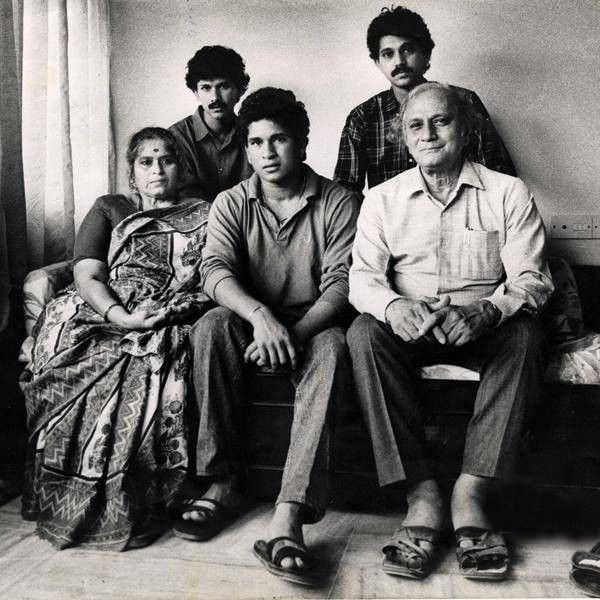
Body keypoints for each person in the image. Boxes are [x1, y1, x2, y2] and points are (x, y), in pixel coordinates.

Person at [346, 83, 554, 580]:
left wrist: (487, 310)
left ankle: (472, 493)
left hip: (480, 326)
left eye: (441, 121)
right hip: (410, 325)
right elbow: (362, 279)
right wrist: (394, 307)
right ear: (404, 137)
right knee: (361, 334)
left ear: (466, 129)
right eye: (416, 125)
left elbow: (532, 279)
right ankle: (421, 496)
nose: (429, 134)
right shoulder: (383, 199)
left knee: (526, 336)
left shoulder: (508, 191)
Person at [174, 87, 359, 586]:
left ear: (301, 143)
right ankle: (221, 483)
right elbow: (214, 271)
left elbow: (343, 283)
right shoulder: (231, 201)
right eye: (255, 143)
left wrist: (291, 333)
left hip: (314, 321)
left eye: (279, 140)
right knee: (210, 326)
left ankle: (291, 512)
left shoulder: (338, 200)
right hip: (252, 320)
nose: (267, 153)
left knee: (336, 349)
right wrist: (261, 318)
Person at [20, 127, 213, 550]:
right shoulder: (110, 208)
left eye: (167, 160)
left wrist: (171, 308)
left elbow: (216, 271)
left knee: (153, 360)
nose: (157, 169)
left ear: (181, 168)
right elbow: (86, 274)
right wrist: (122, 317)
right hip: (104, 306)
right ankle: (68, 492)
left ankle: (131, 498)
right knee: (78, 349)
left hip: (168, 307)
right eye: (146, 161)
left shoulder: (206, 211)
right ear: (131, 173)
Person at [334, 5, 516, 197]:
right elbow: (345, 194)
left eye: (408, 50)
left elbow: (499, 175)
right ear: (377, 63)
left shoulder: (463, 101)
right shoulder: (363, 118)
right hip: (392, 224)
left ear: (426, 54)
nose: (399, 62)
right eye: (388, 54)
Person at [169, 45, 253, 201]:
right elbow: (184, 197)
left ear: (239, 91)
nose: (215, 97)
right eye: (206, 88)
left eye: (224, 86)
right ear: (196, 92)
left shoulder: (254, 132)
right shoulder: (176, 137)